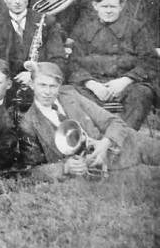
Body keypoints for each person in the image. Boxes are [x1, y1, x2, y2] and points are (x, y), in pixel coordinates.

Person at [19, 62, 160, 179]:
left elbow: (113, 122)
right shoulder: (28, 122)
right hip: (91, 171)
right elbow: (32, 171)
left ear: (60, 86)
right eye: (42, 85)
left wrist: (105, 143)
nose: (47, 92)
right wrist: (65, 168)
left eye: (53, 86)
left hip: (118, 145)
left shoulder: (70, 95)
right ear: (32, 84)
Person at [68, 0, 157, 130]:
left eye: (113, 6)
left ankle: (121, 138)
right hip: (93, 86)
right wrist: (91, 84)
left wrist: (125, 81)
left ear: (121, 6)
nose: (108, 11)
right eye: (104, 6)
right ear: (95, 6)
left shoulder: (136, 28)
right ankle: (93, 137)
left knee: (143, 93)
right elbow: (73, 64)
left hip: (128, 85)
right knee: (71, 94)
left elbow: (150, 61)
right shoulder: (84, 29)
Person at [0, 0, 66, 115]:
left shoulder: (47, 22)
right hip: (6, 90)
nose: (17, 1)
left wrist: (34, 74)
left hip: (41, 87)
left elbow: (58, 61)